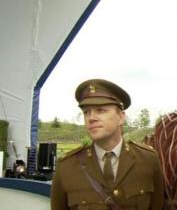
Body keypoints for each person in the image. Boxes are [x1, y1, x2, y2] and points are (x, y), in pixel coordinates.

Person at [51, 79, 164, 210]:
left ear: (121, 117)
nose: (91, 117)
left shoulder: (148, 160)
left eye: (100, 110)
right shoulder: (67, 166)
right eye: (86, 112)